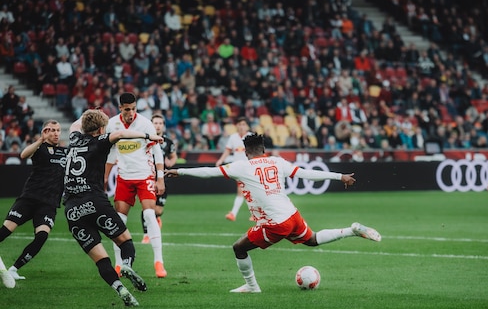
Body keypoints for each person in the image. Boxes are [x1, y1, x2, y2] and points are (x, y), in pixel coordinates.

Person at [166, 133, 382, 293]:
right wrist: (339, 176)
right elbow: (307, 174)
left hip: (275, 223)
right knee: (312, 240)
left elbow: (209, 172)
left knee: (239, 248)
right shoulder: (277, 162)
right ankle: (351, 230)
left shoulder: (242, 166)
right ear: (263, 149)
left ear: (245, 151)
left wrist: (180, 171)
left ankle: (252, 286)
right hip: (292, 214)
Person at [65, 109, 163, 306]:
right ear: (102, 129)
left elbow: (75, 125)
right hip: (94, 202)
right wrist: (148, 135)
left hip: (72, 209)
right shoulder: (100, 141)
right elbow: (119, 134)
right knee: (125, 241)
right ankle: (126, 265)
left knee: (100, 259)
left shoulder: (74, 137)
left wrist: (88, 113)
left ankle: (120, 289)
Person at [104, 92, 168, 278]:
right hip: (124, 178)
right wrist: (105, 177)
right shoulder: (112, 124)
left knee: (150, 214)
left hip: (144, 176)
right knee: (119, 221)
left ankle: (159, 262)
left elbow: (157, 151)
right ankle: (118, 265)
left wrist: (160, 177)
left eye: (133, 109)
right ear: (120, 108)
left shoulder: (146, 124)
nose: (130, 112)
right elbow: (111, 153)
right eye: (127, 109)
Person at [0, 120, 66, 281]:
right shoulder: (39, 148)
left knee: (42, 236)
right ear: (45, 132)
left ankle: (14, 269)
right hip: (29, 199)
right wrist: (40, 140)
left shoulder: (65, 152)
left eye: (58, 130)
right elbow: (23, 155)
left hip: (49, 203)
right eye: (51, 130)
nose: (56, 133)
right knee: (6, 231)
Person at [141, 114, 177, 244]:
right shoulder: (144, 140)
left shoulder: (168, 142)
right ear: (151, 124)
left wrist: (170, 163)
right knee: (147, 206)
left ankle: (157, 219)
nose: (157, 125)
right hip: (147, 176)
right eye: (155, 123)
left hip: (162, 178)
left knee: (158, 210)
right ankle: (146, 234)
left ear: (163, 125)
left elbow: (173, 156)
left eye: (160, 123)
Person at [215, 116, 252, 221]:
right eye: (239, 124)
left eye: (243, 124)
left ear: (247, 126)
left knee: (249, 191)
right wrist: (220, 160)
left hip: (250, 167)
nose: (241, 127)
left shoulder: (251, 137)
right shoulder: (233, 137)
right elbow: (227, 150)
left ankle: (236, 213)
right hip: (238, 168)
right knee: (242, 190)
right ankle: (234, 214)